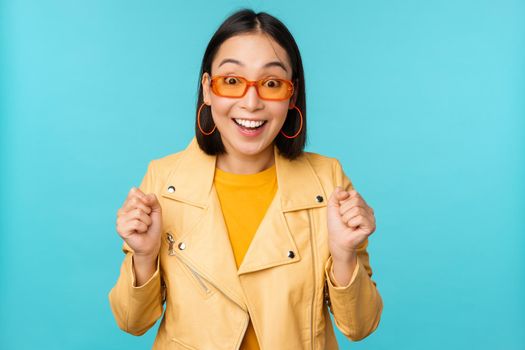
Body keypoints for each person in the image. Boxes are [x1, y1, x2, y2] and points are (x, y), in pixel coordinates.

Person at [109, 9, 383, 350]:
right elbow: (131, 322)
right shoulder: (164, 180)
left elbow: (361, 326)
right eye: (232, 81)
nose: (251, 103)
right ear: (208, 89)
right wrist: (144, 257)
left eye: (271, 84)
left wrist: (344, 255)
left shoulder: (328, 180)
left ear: (291, 95)